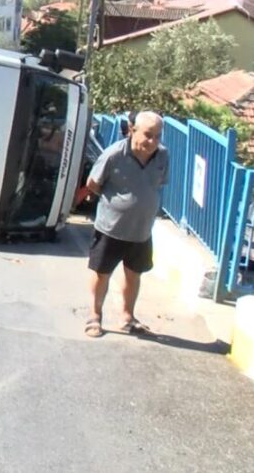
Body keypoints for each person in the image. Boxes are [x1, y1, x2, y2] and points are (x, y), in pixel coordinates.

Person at [84, 112, 169, 338]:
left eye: (158, 136)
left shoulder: (162, 156)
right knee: (101, 273)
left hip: (141, 231)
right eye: (148, 135)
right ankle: (94, 316)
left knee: (134, 275)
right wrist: (116, 203)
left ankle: (127, 317)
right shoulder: (114, 155)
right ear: (133, 131)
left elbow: (158, 183)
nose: (153, 142)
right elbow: (92, 183)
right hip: (111, 228)